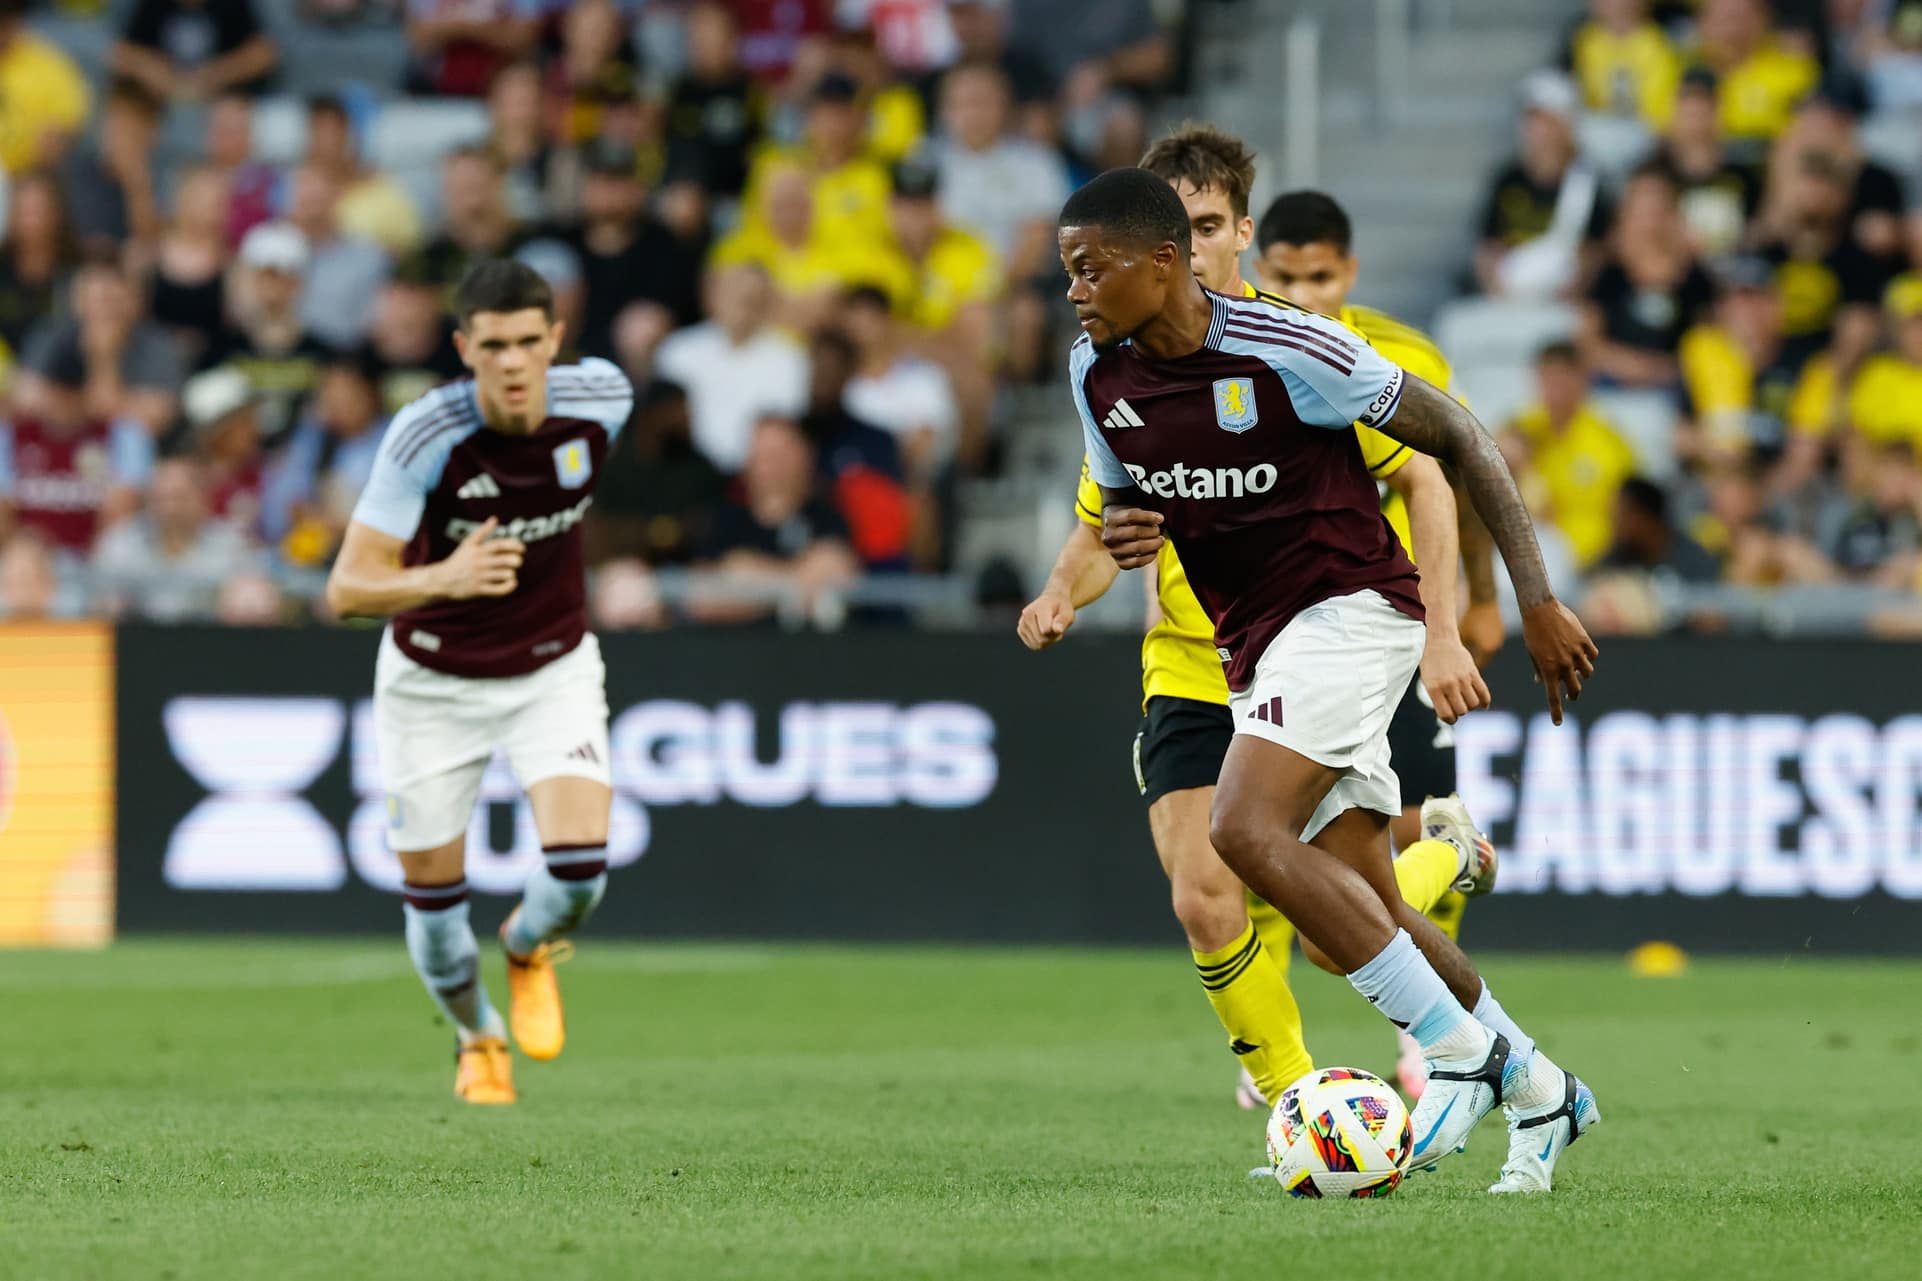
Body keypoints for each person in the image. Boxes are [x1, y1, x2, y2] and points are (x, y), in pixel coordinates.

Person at [1059, 166, 1600, 1193]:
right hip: (1251, 640)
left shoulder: (1288, 344)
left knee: (1238, 830)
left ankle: (1457, 1052)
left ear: (1164, 261)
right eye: (1067, 272)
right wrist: (1125, 532)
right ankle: (1541, 1091)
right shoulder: (1096, 374)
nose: (1076, 291)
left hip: (1352, 611)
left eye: (1092, 269)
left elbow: (1458, 440)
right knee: (1360, 903)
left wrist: (1531, 599)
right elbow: (1121, 509)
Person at [1019, 128, 1496, 1117]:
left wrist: (1451, 624)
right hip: (1196, 662)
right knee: (1203, 894)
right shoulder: (1117, 370)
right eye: (1170, 229)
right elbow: (1104, 523)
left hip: (1328, 636)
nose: (1186, 250)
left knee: (1330, 922)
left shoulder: (1306, 354)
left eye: (1203, 228)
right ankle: (1298, 1104)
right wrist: (1062, 590)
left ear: (1235, 230)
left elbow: (1428, 473)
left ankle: (1453, 1003)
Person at [324, 260, 635, 1105]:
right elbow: (348, 588)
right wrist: (448, 576)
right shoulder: (425, 434)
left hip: (552, 666)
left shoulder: (603, 398)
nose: (511, 361)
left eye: (528, 342)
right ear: (465, 348)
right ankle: (477, 1037)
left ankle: (528, 946)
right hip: (432, 679)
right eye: (492, 344)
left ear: (555, 341)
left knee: (580, 871)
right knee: (432, 917)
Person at [90, 455, 261, 621]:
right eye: (159, 499)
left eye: (179, 498)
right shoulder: (120, 543)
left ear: (202, 499)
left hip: (213, 642)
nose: (168, 509)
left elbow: (254, 596)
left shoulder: (231, 545)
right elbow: (99, 601)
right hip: (136, 642)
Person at [109, 0, 279, 103]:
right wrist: (154, 70)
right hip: (159, 107)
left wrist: (217, 74)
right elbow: (120, 54)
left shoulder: (231, 4)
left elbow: (265, 53)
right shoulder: (153, 5)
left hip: (221, 106)